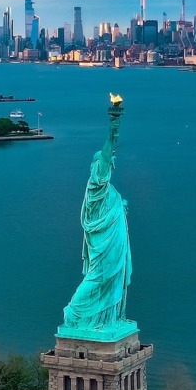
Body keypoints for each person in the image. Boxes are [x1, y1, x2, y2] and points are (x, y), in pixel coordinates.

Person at [62, 98, 132, 334]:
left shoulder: (108, 190)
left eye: (111, 164)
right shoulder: (96, 185)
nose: (110, 165)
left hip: (112, 242)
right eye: (107, 163)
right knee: (98, 278)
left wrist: (121, 207)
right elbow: (106, 153)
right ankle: (74, 312)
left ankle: (108, 318)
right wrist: (114, 128)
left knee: (108, 280)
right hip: (104, 245)